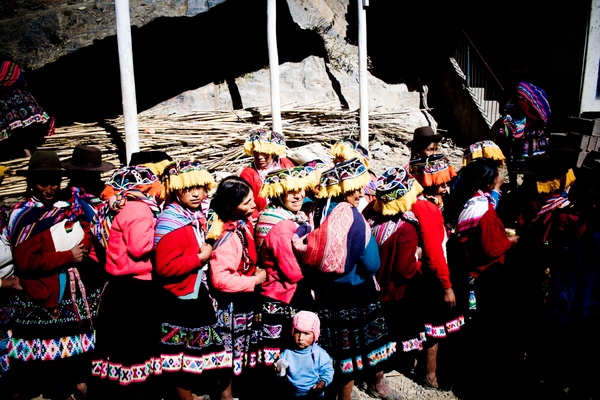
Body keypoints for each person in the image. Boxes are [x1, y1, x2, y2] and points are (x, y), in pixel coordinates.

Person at [293, 158, 400, 400]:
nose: (360, 194)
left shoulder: (315, 211)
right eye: (354, 189)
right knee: (350, 352)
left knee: (332, 348)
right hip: (354, 291)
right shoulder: (354, 219)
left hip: (323, 291)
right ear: (342, 190)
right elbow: (372, 263)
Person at [6, 150, 100, 400]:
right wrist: (68, 256)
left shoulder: (66, 208)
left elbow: (84, 234)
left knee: (73, 371)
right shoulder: (24, 215)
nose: (49, 188)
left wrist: (82, 245)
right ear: (30, 183)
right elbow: (26, 262)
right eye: (43, 182)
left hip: (69, 299)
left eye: (54, 182)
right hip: (39, 300)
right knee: (41, 375)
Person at [443, 158, 519, 399]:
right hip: (481, 278)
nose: (502, 176)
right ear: (488, 182)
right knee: (478, 330)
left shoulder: (471, 202)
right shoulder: (483, 211)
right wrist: (510, 242)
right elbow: (489, 250)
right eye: (498, 173)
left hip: (467, 273)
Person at [154, 159, 229, 400]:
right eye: (188, 188)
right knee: (180, 363)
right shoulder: (171, 222)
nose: (196, 193)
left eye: (199, 186)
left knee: (199, 360)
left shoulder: (194, 215)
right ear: (176, 188)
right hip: (179, 299)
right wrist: (200, 258)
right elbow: (165, 268)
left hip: (195, 294)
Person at [89, 165, 164, 399]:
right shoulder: (139, 210)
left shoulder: (117, 208)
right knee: (136, 350)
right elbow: (139, 247)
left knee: (117, 350)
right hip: (136, 290)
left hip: (117, 288)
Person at [206, 175, 267, 400]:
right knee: (228, 354)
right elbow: (221, 280)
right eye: (247, 202)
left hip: (241, 301)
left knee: (237, 353)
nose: (253, 204)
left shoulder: (241, 225)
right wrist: (254, 281)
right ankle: (225, 396)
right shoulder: (226, 236)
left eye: (252, 199)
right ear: (231, 207)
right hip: (229, 306)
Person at [406, 156, 463, 390]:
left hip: (417, 274)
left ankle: (416, 365)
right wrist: (446, 286)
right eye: (441, 184)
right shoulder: (427, 209)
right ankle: (430, 376)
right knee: (435, 329)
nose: (446, 188)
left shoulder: (415, 202)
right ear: (429, 183)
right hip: (430, 278)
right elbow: (434, 252)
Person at [254, 166, 317, 375]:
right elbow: (291, 271)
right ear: (279, 192)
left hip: (278, 290)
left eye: (300, 189)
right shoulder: (281, 226)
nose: (298, 195)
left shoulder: (288, 216)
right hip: (281, 292)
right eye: (291, 191)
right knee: (283, 351)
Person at [366, 167, 427, 379]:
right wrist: (417, 255)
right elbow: (404, 269)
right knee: (393, 332)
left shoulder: (371, 219)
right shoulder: (406, 229)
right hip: (394, 292)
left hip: (372, 288)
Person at [491, 81, 551, 189]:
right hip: (531, 139)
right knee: (527, 165)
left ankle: (523, 187)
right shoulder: (527, 99)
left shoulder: (520, 99)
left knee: (527, 165)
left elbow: (519, 118)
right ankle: (524, 186)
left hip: (528, 140)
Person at [0, 55, 55, 160]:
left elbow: (19, 80)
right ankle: (25, 152)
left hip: (18, 103)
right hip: (12, 104)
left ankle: (28, 152)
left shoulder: (7, 63)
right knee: (17, 134)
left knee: (24, 132)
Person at [274, 310, 334, 399]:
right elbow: (280, 371)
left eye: (306, 334)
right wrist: (278, 369)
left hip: (314, 394)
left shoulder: (320, 354)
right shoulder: (287, 353)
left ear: (315, 335)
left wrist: (321, 384)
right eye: (297, 332)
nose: (301, 338)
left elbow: (327, 371)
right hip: (292, 393)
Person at [239, 129, 295, 223]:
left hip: (290, 215)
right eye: (256, 152)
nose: (260, 156)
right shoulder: (248, 173)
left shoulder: (285, 165)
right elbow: (246, 203)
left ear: (272, 152)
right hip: (262, 219)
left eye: (264, 152)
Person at [329, 138, 377, 210]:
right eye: (337, 158)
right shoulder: (334, 176)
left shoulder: (368, 179)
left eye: (341, 158)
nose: (337, 162)